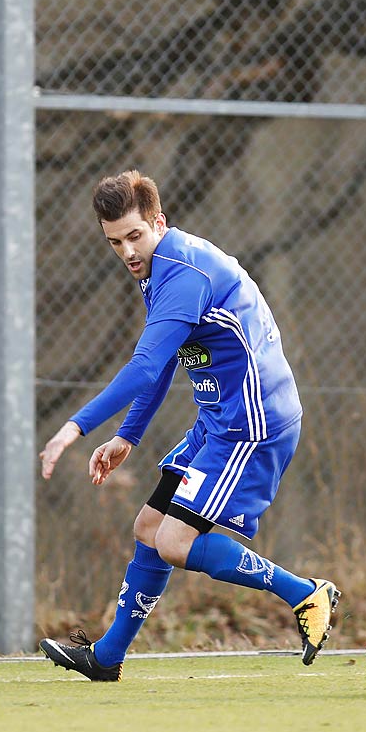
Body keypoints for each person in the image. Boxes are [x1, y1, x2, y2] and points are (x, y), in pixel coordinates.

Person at [37, 170, 337, 681]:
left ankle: (307, 594)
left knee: (174, 541)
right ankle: (108, 657)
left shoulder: (183, 274)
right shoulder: (159, 269)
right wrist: (128, 436)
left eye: (135, 236)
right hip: (219, 416)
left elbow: (146, 367)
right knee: (148, 530)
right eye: (115, 242)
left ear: (159, 222)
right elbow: (164, 359)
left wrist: (75, 427)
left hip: (252, 421)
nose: (128, 252)